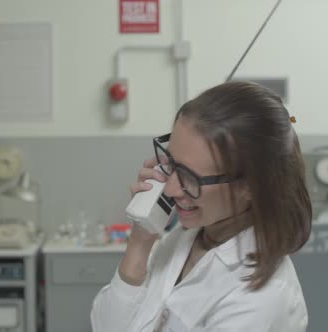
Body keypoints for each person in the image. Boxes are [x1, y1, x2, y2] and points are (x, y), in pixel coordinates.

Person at [91, 81, 312, 331]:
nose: (171, 189)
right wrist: (140, 241)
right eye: (172, 163)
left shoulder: (261, 298)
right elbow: (104, 326)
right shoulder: (184, 238)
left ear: (250, 185)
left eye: (190, 177)